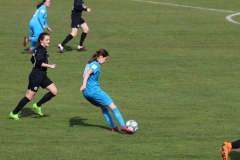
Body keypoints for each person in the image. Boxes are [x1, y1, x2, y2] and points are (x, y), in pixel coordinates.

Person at [79, 49, 134, 134]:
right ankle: (123, 126)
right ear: (100, 57)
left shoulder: (89, 63)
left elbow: (86, 73)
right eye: (105, 59)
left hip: (86, 93)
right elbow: (87, 74)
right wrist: (84, 85)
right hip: (94, 91)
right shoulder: (96, 64)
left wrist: (84, 86)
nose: (105, 61)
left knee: (104, 107)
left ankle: (113, 127)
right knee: (113, 106)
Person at [10, 32, 57, 120]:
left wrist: (39, 67)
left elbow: (32, 59)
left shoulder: (40, 48)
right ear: (41, 41)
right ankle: (13, 113)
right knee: (29, 96)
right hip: (36, 76)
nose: (49, 41)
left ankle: (37, 105)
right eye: (47, 40)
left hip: (42, 75)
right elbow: (38, 62)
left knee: (54, 91)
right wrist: (50, 66)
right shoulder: (41, 50)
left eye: (49, 39)